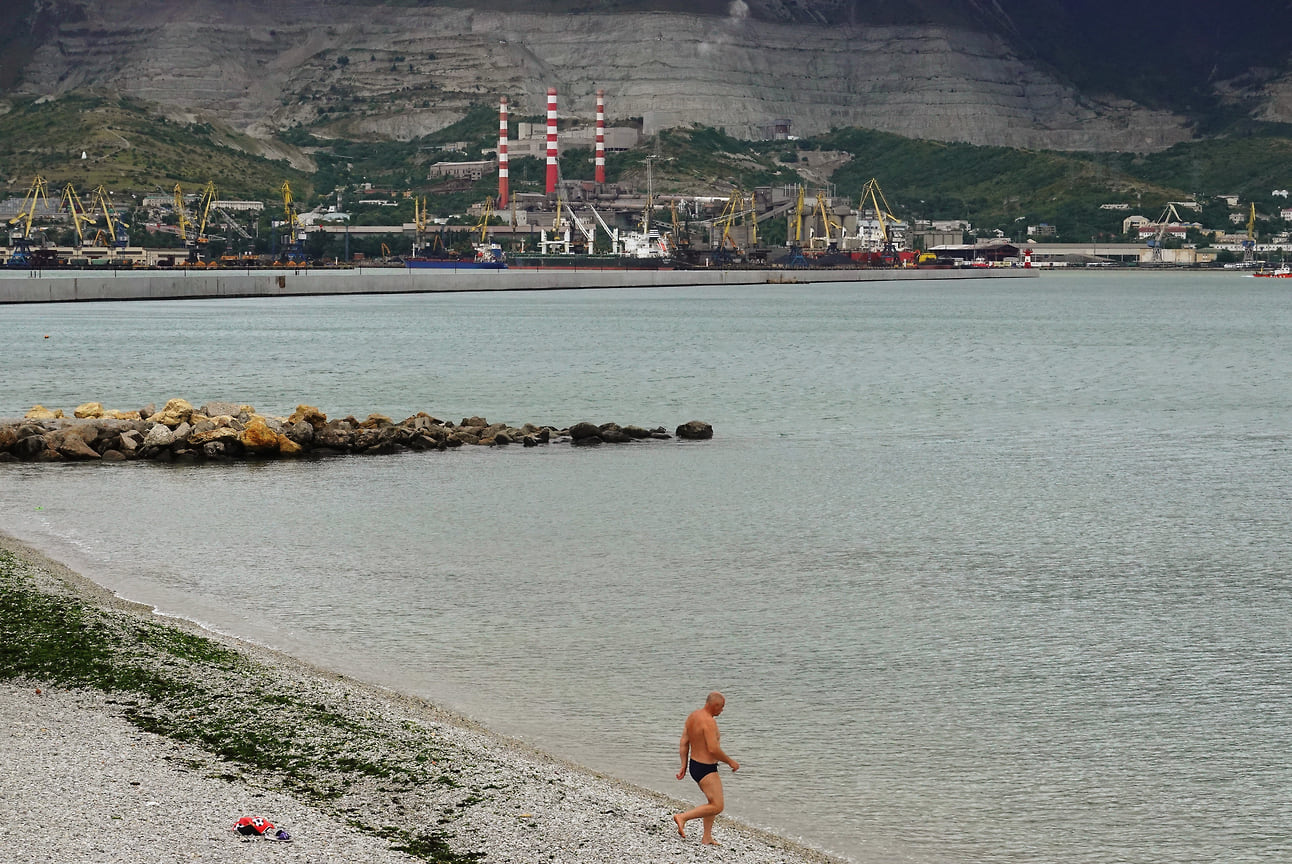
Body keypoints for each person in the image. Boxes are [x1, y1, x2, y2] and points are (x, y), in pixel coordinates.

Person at [673, 691, 739, 845]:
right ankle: (683, 817)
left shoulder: (693, 717)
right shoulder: (709, 722)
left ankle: (707, 837)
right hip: (706, 768)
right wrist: (730, 762)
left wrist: (683, 765)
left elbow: (684, 742)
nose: (722, 711)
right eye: (721, 707)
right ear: (714, 705)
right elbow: (713, 749)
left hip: (695, 766)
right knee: (717, 806)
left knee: (711, 801)